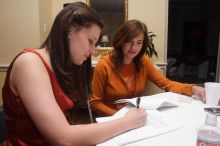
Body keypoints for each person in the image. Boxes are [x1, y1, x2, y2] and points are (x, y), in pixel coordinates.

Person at [2, 3, 147, 146]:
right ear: (69, 30)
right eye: (91, 41)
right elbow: (63, 138)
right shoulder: (29, 63)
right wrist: (127, 122)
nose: (93, 50)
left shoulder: (60, 67)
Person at [90, 19, 206, 116]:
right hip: (112, 118)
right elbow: (95, 103)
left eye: (139, 42)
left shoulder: (143, 61)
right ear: (121, 41)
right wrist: (119, 116)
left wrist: (194, 88)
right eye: (129, 41)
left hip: (135, 116)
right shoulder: (104, 65)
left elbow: (166, 84)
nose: (134, 47)